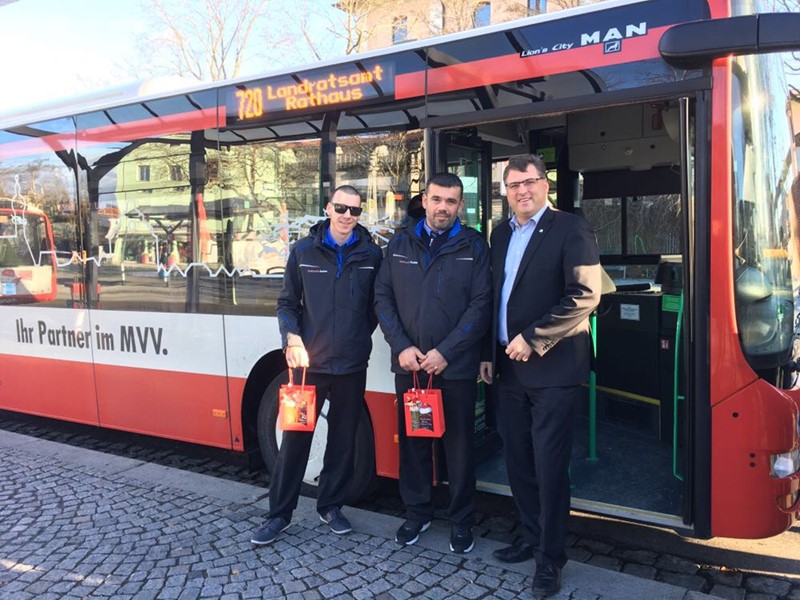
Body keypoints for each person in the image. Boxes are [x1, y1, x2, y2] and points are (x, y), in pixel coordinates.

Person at [479, 155, 601, 598]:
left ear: (544, 185)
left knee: (550, 468)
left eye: (529, 182)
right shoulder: (500, 233)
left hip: (552, 369)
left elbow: (585, 295)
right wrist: (488, 353)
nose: (521, 191)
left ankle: (550, 559)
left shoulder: (571, 228)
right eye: (513, 185)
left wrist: (532, 338)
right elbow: (495, 298)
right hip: (507, 369)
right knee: (518, 461)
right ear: (505, 191)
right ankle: (530, 537)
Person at [251, 185, 382, 546]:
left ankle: (331, 506)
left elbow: (376, 307)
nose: (347, 215)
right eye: (341, 207)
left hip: (352, 364)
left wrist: (356, 335)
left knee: (343, 440)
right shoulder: (304, 251)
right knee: (295, 441)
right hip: (308, 367)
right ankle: (279, 514)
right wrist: (292, 339)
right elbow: (287, 303)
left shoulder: (372, 254)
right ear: (328, 208)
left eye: (354, 210)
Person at [375, 172, 491, 554]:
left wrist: (447, 351)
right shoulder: (399, 243)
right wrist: (402, 346)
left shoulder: (473, 245)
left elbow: (481, 304)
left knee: (458, 449)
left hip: (452, 368)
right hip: (410, 367)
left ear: (460, 206)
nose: (444, 207)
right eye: (437, 199)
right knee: (414, 445)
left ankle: (461, 521)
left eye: (452, 201)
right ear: (424, 200)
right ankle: (417, 513)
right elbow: (382, 299)